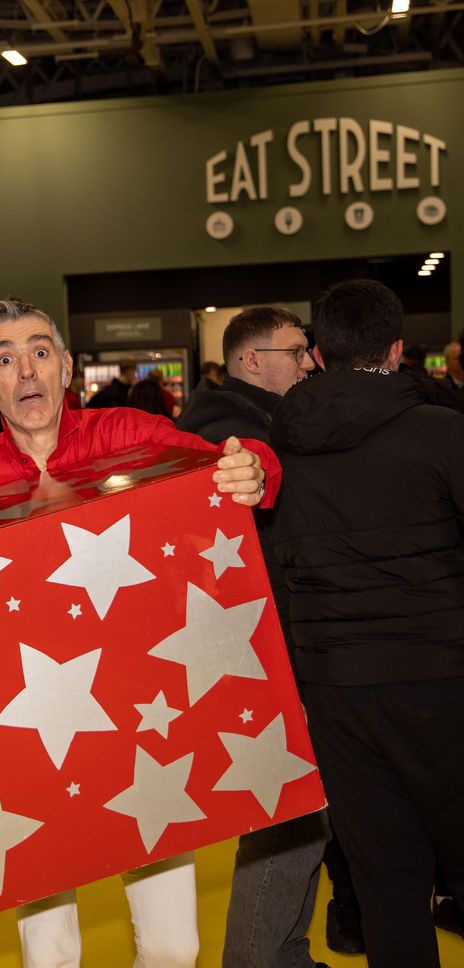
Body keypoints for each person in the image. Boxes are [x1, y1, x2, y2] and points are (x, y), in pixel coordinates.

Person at [0, 296, 280, 968]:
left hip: (142, 716)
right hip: (36, 730)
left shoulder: (128, 435)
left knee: (174, 946)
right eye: (5, 359)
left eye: (40, 352)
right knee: (49, 954)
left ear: (66, 366)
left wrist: (252, 467)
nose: (27, 371)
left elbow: (233, 459)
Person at [268, 279, 464, 968]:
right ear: (398, 349)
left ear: (319, 354)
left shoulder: (279, 450)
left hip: (336, 691)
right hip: (443, 680)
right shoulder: (443, 431)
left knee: (385, 884)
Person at [177, 307, 330, 968]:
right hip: (260, 651)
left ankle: (281, 954)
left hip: (262, 643)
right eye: (296, 351)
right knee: (289, 817)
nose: (309, 362)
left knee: (301, 815)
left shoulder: (257, 419)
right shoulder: (227, 431)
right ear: (251, 360)